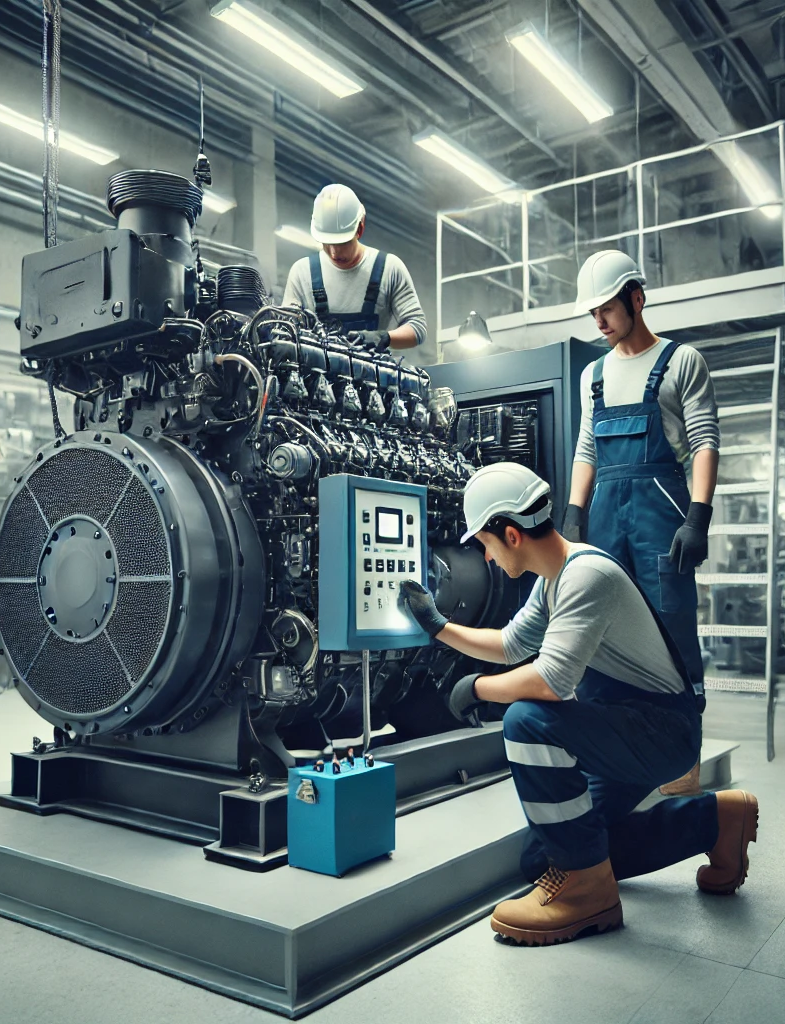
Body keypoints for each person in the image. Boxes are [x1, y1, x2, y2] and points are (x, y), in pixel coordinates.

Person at [401, 463, 758, 947]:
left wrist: (479, 690)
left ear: (510, 534)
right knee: (544, 857)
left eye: (484, 543)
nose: (484, 557)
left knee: (528, 720)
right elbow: (509, 644)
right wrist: (438, 626)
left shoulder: (586, 575)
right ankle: (713, 822)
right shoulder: (553, 580)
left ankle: (589, 892)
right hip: (623, 728)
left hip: (660, 732)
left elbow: (550, 681)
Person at [561, 251, 719, 747]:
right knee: (598, 617)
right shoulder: (594, 375)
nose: (600, 321)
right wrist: (573, 515)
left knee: (669, 618)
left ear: (636, 298)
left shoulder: (681, 361)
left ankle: (681, 740)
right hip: (605, 513)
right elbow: (587, 446)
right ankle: (610, 733)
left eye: (607, 308)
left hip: (661, 512)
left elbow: (704, 441)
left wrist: (698, 517)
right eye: (593, 313)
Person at [281, 183, 427, 352]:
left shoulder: (389, 268)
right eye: (327, 243)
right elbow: (287, 332)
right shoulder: (302, 273)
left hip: (375, 376)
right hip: (317, 377)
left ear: (360, 228)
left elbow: (417, 327)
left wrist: (384, 337)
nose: (334, 253)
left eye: (342, 242)